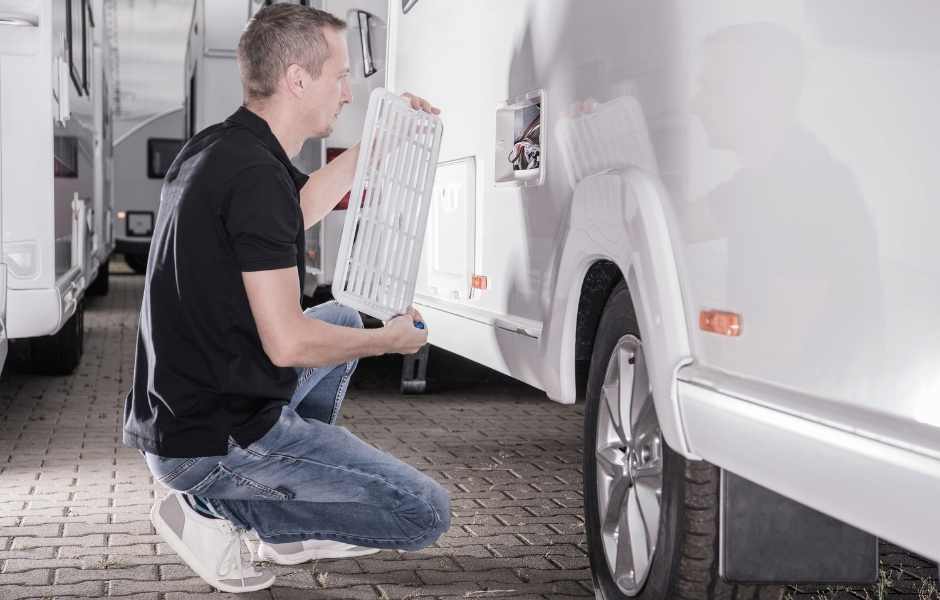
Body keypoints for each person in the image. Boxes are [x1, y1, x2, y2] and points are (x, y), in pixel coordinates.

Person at [122, 5, 448, 593]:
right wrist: (388, 341)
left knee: (341, 316)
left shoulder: (219, 150)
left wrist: (383, 138)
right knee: (423, 513)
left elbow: (299, 208)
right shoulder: (255, 177)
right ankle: (209, 509)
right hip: (208, 441)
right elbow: (290, 341)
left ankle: (279, 523)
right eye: (341, 76)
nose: (350, 92)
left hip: (182, 413)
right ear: (298, 79)